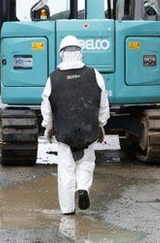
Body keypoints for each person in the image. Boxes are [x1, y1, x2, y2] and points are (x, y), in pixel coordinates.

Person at [41, 35, 110, 215]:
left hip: (64, 133)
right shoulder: (94, 74)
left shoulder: (53, 78)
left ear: (62, 54)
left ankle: (67, 209)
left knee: (66, 170)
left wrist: (48, 127)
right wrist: (101, 124)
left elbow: (46, 106)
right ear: (80, 52)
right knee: (86, 163)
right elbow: (103, 103)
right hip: (88, 130)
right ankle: (83, 189)